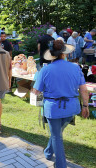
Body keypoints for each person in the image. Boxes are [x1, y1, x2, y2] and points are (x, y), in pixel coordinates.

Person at [32, 40, 89, 168]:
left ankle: (60, 165)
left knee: (57, 136)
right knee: (57, 133)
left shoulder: (45, 70)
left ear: (52, 55)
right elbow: (83, 89)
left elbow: (36, 91)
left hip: (53, 109)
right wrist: (85, 105)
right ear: (64, 53)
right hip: (71, 108)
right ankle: (48, 152)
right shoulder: (75, 67)